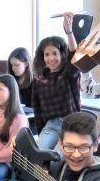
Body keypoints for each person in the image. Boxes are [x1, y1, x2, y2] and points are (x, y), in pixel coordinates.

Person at [30, 12, 81, 150]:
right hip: (51, 125)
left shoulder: (69, 73)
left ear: (62, 54)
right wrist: (40, 133)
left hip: (71, 125)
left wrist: (69, 32)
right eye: (47, 54)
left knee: (59, 156)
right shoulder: (39, 78)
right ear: (42, 57)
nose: (51, 58)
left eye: (55, 53)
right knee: (39, 153)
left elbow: (74, 55)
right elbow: (37, 109)